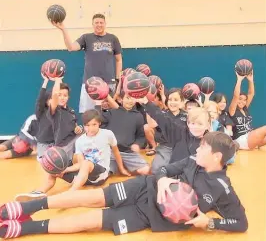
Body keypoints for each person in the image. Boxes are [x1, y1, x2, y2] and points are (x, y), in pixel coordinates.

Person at [0, 132, 248, 239]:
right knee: (91, 197)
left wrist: (210, 223)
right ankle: (27, 207)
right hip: (144, 187)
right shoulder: (193, 160)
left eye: (204, 146)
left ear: (217, 157)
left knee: (91, 221)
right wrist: (161, 180)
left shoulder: (222, 189)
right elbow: (162, 169)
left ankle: (27, 228)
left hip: (150, 215)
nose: (199, 148)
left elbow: (241, 223)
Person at [15, 78, 83, 201]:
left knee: (82, 136)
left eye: (65, 95)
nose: (62, 97)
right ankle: (39, 192)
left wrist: (77, 128)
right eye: (59, 95)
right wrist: (55, 80)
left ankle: (77, 177)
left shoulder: (71, 112)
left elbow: (72, 128)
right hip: (52, 148)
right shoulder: (54, 111)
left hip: (64, 146)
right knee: (54, 175)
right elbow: (50, 98)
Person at [52, 13, 122, 113]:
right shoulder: (86, 38)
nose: (99, 24)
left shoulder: (113, 39)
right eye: (96, 23)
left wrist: (118, 79)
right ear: (92, 24)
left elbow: (119, 60)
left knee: (109, 114)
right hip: (90, 83)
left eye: (101, 22)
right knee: (89, 114)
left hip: (108, 83)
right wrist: (63, 29)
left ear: (105, 23)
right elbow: (71, 47)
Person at [60, 109, 130, 191]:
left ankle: (70, 193)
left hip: (100, 175)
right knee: (54, 169)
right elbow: (80, 164)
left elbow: (116, 152)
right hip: (85, 177)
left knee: (86, 163)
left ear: (99, 123)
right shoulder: (79, 141)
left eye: (94, 124)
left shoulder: (107, 134)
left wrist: (121, 169)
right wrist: (65, 170)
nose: (91, 128)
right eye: (87, 125)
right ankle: (42, 191)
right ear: (83, 125)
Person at [229, 71, 266, 150]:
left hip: (249, 137)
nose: (242, 102)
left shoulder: (245, 109)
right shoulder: (232, 110)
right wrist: (239, 80)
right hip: (241, 140)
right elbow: (235, 96)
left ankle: (254, 145)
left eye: (244, 100)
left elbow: (251, 93)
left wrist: (250, 80)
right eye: (240, 99)